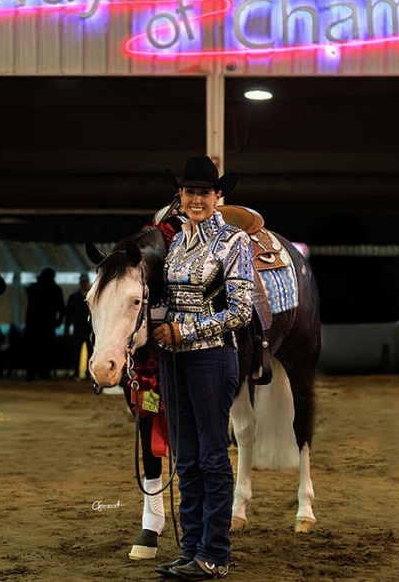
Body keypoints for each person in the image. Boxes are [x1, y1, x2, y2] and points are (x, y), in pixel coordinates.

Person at [151, 156, 254, 580]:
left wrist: (185, 331)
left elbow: (242, 310)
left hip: (213, 357)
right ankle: (190, 547)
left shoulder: (234, 242)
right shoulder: (175, 244)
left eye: (204, 192)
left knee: (212, 457)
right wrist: (159, 326)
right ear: (181, 196)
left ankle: (214, 553)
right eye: (189, 191)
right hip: (175, 360)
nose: (196, 198)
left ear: (218, 197)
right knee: (187, 458)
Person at [24, 267, 65, 381]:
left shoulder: (34, 288)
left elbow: (27, 292)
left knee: (32, 349)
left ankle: (31, 373)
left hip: (33, 324)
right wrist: (58, 321)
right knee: (46, 350)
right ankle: (45, 372)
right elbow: (61, 308)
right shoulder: (55, 289)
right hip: (48, 324)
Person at [64, 273, 92, 379]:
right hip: (78, 328)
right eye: (83, 282)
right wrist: (67, 328)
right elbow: (69, 314)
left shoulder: (90, 296)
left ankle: (88, 373)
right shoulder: (75, 297)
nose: (84, 284)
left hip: (89, 328)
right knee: (76, 351)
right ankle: (77, 371)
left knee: (90, 352)